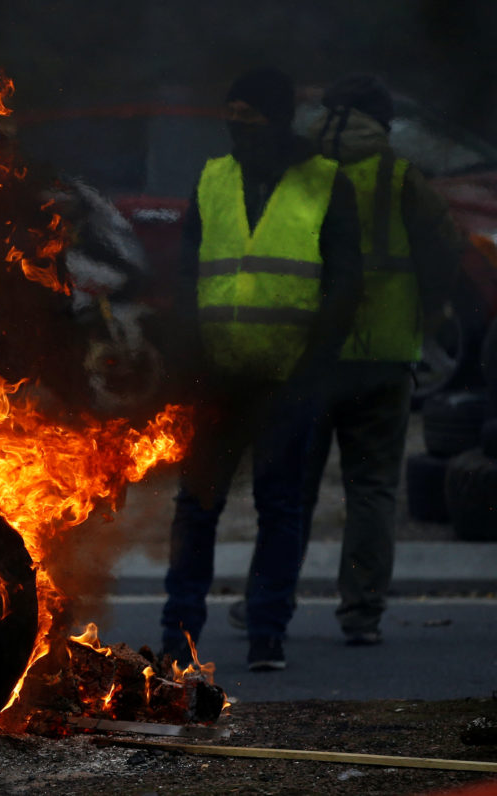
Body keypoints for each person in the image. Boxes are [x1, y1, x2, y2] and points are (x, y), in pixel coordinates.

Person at [227, 75, 463, 645]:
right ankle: (361, 616)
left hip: (307, 358)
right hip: (383, 360)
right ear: (381, 125)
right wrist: (426, 320)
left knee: (292, 489)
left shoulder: (298, 174)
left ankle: (265, 598)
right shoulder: (400, 177)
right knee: (373, 489)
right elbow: (446, 256)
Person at [158, 67, 362, 672]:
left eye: (249, 119)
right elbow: (186, 273)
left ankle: (267, 631)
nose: (236, 131)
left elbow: (344, 283)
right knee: (196, 507)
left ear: (275, 120)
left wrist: (314, 368)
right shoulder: (213, 177)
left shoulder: (325, 182)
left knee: (279, 507)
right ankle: (178, 634)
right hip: (217, 377)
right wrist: (187, 358)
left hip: (288, 378)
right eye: (231, 119)